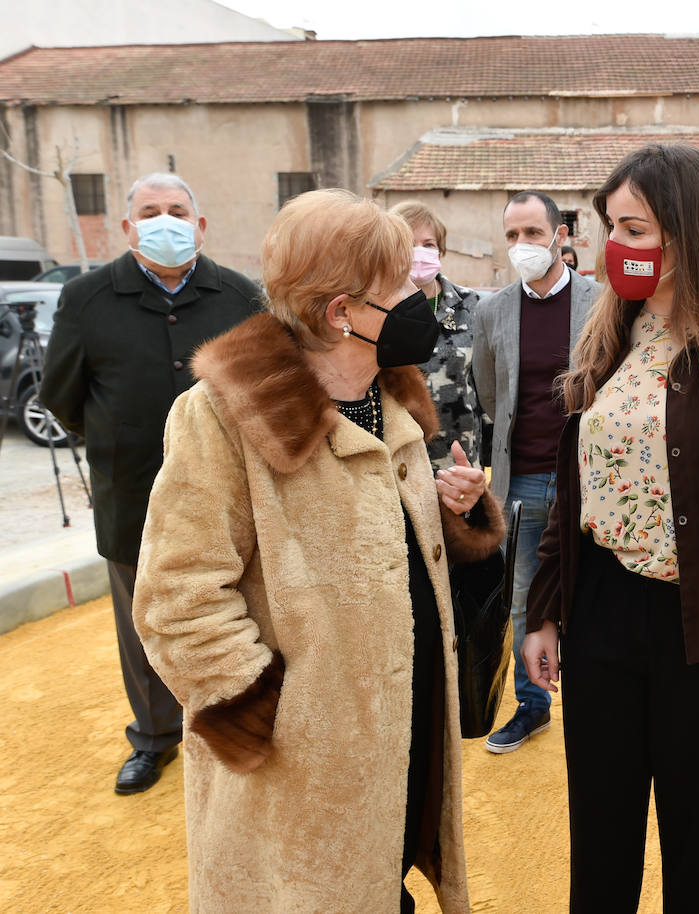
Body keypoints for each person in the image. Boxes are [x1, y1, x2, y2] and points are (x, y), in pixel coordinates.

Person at [132, 189, 503, 913]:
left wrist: (456, 515)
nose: (418, 295)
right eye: (398, 286)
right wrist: (274, 715)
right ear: (341, 312)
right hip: (300, 780)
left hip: (397, 744)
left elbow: (387, 552)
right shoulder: (219, 416)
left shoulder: (392, 399)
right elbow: (177, 599)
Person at [521, 143, 699, 913]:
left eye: (634, 228)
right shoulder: (608, 333)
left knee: (697, 853)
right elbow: (571, 491)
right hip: (602, 620)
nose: (615, 246)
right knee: (602, 849)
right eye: (610, 226)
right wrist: (543, 608)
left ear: (689, 233)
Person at [40, 173, 260, 795]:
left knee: (231, 611)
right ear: (128, 227)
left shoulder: (240, 297)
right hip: (130, 493)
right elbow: (63, 396)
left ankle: (233, 725)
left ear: (200, 224)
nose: (165, 220)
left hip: (226, 498)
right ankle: (156, 738)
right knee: (144, 623)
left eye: (177, 210)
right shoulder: (85, 298)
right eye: (150, 211)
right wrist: (120, 438)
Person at [471, 190, 598, 753]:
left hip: (589, 479)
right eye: (511, 236)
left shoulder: (603, 302)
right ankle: (532, 704)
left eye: (531, 233)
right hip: (520, 479)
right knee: (523, 595)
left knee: (592, 590)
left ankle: (597, 699)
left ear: (561, 236)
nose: (522, 245)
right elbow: (491, 393)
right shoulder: (492, 310)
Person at [390, 200, 483, 468]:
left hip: (459, 461)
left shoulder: (471, 304)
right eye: (408, 243)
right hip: (400, 463)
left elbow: (485, 384)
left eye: (428, 244)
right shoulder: (375, 309)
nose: (419, 252)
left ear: (440, 251)